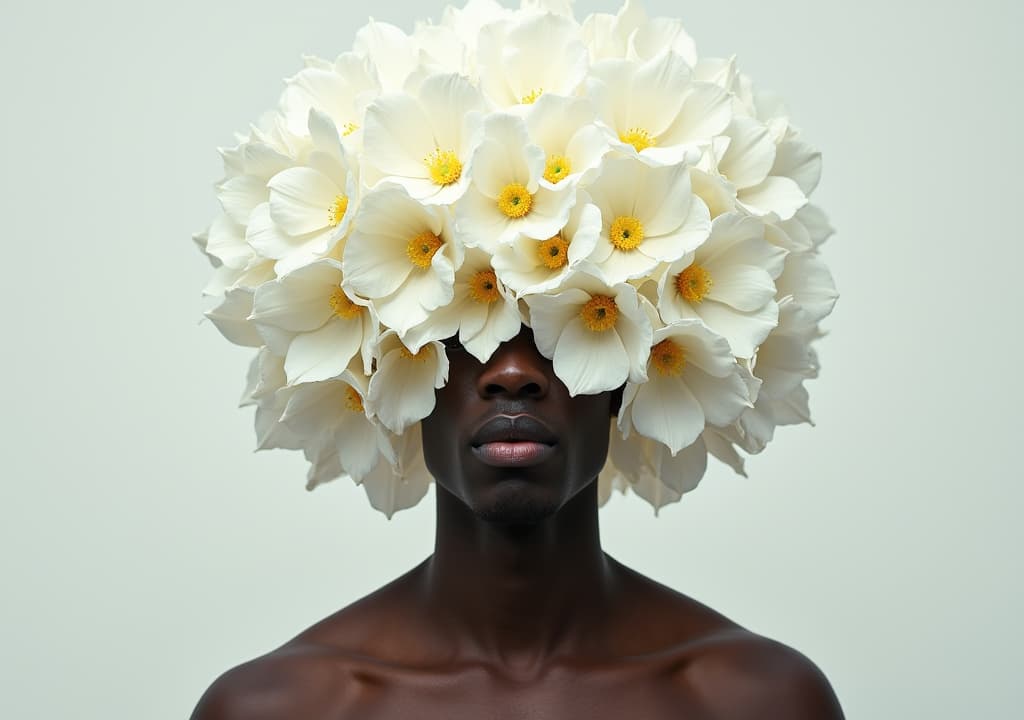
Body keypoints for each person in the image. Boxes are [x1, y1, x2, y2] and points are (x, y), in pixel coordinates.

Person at [190, 326, 845, 719]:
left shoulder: (759, 704)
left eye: (564, 320)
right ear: (385, 367)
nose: (512, 372)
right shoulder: (279, 711)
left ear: (628, 376)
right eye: (462, 322)